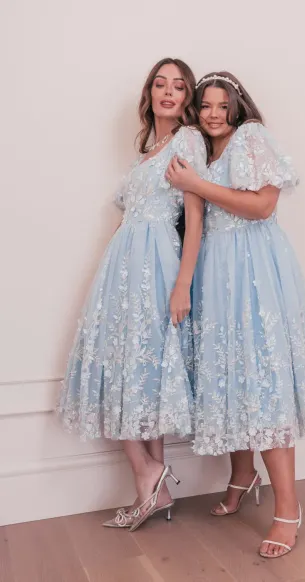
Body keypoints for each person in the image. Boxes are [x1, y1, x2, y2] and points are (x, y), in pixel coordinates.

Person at [166, 71, 305, 558]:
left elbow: (262, 207)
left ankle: (288, 508)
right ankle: (241, 475)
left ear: (237, 107)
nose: (213, 114)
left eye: (222, 105)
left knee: (263, 381)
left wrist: (196, 184)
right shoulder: (202, 152)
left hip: (253, 272)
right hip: (216, 273)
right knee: (231, 377)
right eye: (205, 105)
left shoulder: (251, 137)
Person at [57, 58, 207, 532]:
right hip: (123, 262)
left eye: (178, 86)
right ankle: (152, 489)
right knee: (133, 367)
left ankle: (146, 473)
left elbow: (195, 216)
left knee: (135, 361)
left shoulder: (187, 140)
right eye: (160, 84)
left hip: (157, 260)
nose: (168, 92)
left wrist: (182, 283)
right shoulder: (147, 148)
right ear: (150, 94)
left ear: (187, 97)